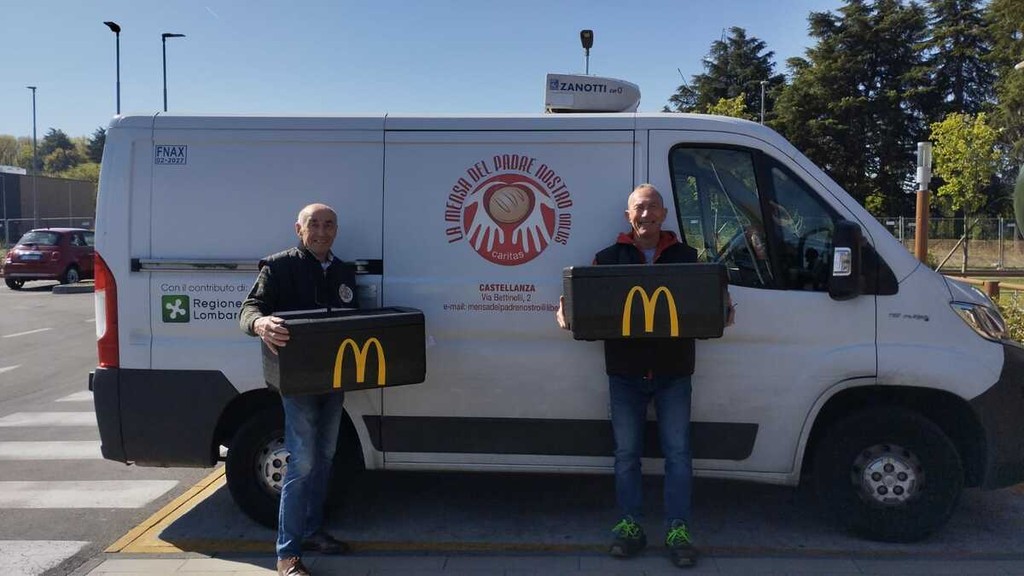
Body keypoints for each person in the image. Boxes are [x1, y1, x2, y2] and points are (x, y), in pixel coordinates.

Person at [555, 184, 733, 569]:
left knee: (678, 454)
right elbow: (582, 305)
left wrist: (723, 308)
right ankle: (630, 525)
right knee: (626, 455)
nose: (646, 214)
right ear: (628, 216)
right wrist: (567, 314)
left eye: (653, 207)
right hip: (625, 374)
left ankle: (677, 529)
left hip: (674, 373)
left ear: (664, 214)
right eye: (639, 207)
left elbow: (714, 302)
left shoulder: (688, 259)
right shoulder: (606, 260)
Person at [240, 203, 358, 576]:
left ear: (336, 230)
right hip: (298, 381)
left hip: (334, 380)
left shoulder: (343, 271)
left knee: (325, 456)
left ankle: (311, 530)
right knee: (302, 461)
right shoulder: (278, 267)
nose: (322, 232)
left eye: (329, 225)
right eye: (314, 224)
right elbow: (249, 309)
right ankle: (287, 554)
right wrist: (260, 324)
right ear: (299, 229)